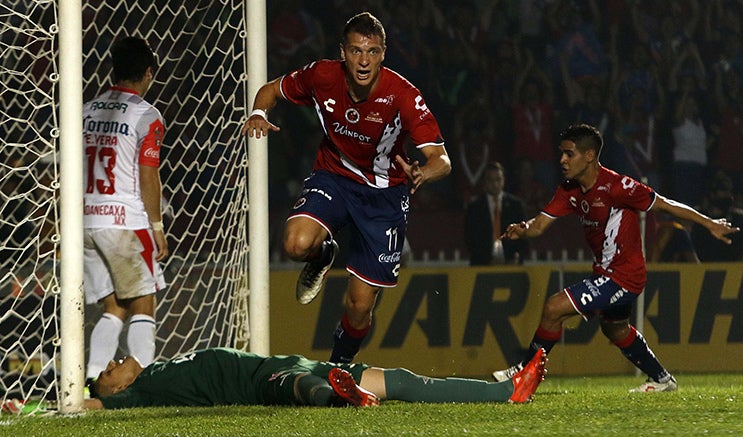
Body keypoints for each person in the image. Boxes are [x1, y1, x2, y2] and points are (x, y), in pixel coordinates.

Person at [240, 12, 451, 363]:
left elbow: (441, 159)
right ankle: (323, 254)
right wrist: (260, 114)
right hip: (335, 176)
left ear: (383, 53)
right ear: (343, 52)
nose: (363, 60)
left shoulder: (402, 94)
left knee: (359, 307)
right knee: (295, 243)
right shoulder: (322, 75)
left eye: (371, 51)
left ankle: (338, 367)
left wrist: (424, 173)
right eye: (355, 51)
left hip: (384, 196)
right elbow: (269, 91)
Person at [491, 124, 738, 392]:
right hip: (604, 274)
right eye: (561, 153)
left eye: (569, 154)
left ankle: (526, 372)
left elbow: (666, 204)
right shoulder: (569, 190)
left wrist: (709, 223)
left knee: (553, 308)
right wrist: (524, 229)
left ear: (589, 156)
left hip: (624, 277)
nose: (562, 160)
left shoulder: (619, 187)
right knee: (616, 329)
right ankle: (662, 379)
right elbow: (539, 225)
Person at [82, 37, 168, 383]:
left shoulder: (85, 109)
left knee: (114, 307)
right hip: (123, 221)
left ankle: (90, 384)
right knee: (143, 302)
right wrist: (157, 226)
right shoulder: (146, 115)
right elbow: (149, 176)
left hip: (85, 219)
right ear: (148, 73)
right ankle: (138, 382)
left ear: (113, 70)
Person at [83, 347, 547, 409]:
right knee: (299, 387)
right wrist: (30, 407)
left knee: (401, 378)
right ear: (119, 389)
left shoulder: (160, 368)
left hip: (293, 360)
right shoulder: (139, 394)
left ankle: (506, 390)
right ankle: (342, 399)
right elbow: (88, 406)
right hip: (260, 382)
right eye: (106, 373)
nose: (111, 364)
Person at [464, 162, 528, 265]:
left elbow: (524, 235)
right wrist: (486, 260)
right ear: (484, 182)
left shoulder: (515, 205)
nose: (495, 184)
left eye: (498, 179)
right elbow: (470, 239)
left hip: (511, 264)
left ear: (503, 180)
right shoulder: (474, 208)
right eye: (491, 180)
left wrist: (516, 257)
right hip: (482, 265)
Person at [690, 172, 743, 262]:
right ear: (712, 194)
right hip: (702, 270)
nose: (728, 195)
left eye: (729, 191)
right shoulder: (699, 218)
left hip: (735, 270)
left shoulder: (740, 219)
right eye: (724, 191)